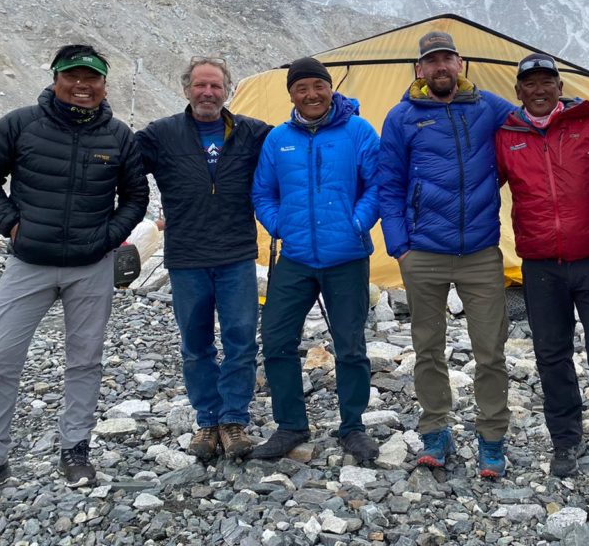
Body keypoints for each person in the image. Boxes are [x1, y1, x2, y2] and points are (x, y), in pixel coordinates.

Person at [0, 45, 148, 507]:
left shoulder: (119, 136)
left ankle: (75, 448)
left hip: (91, 267)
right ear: (56, 78)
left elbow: (135, 197)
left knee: (85, 360)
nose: (83, 86)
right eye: (73, 76)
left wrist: (108, 237)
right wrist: (10, 223)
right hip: (28, 263)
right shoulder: (20, 124)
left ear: (104, 84)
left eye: (92, 78)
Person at [494, 54, 589, 496]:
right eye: (529, 84)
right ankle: (566, 439)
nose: (538, 91)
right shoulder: (506, 134)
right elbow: (485, 186)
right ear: (518, 91)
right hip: (540, 265)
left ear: (560, 87)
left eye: (547, 83)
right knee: (551, 355)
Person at [378, 30, 516, 478]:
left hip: (480, 252)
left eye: (447, 59)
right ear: (419, 70)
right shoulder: (401, 118)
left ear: (460, 64)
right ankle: (435, 430)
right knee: (429, 348)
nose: (440, 67)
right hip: (424, 252)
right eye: (431, 61)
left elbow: (534, 126)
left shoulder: (488, 107)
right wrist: (400, 247)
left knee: (490, 350)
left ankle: (492, 437)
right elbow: (390, 185)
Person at [135, 56, 270, 461]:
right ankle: (207, 420)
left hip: (236, 255)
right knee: (196, 344)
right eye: (200, 85)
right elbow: (118, 163)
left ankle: (233, 419)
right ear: (186, 89)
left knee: (241, 340)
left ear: (227, 90)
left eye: (215, 86)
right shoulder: (161, 134)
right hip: (187, 256)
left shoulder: (252, 133)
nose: (207, 93)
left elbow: (296, 147)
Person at [251, 58, 381, 463]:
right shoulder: (278, 139)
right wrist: (282, 226)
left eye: (317, 86)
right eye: (301, 88)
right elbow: (262, 193)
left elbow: (377, 185)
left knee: (350, 345)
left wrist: (357, 222)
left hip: (347, 255)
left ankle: (353, 427)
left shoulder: (358, 131)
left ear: (330, 88)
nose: (310, 95)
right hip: (296, 257)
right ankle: (291, 425)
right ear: (291, 94)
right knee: (275, 340)